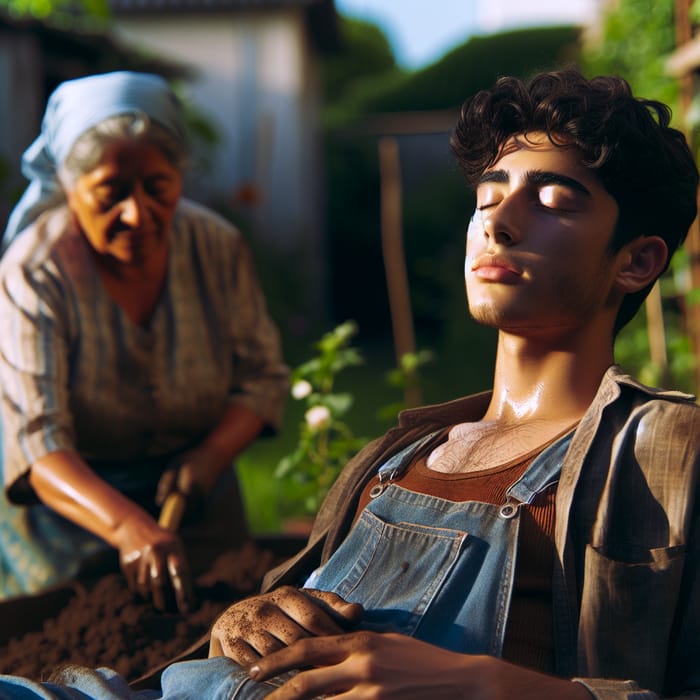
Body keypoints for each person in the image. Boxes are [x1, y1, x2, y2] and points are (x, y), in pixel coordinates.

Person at [0, 67, 697, 700]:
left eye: (553, 200)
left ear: (637, 260)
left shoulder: (662, 453)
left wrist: (483, 686)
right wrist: (244, 621)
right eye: (488, 195)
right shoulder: (396, 457)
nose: (499, 221)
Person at [0, 71, 289, 613]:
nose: (137, 213)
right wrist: (126, 524)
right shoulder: (34, 272)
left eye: (158, 187)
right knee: (70, 660)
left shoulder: (216, 246)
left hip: (196, 497)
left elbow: (261, 378)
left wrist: (209, 458)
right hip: (67, 517)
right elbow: (37, 442)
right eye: (110, 193)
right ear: (68, 185)